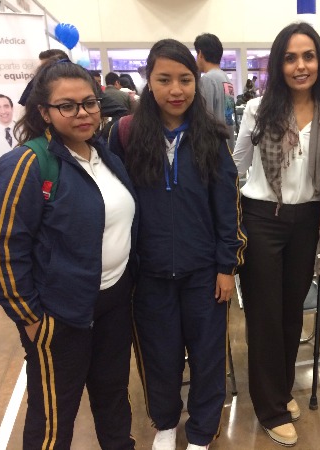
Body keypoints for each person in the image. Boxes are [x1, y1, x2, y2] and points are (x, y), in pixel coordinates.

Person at [0, 59, 137, 449]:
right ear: (44, 112)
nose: (82, 113)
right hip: (60, 314)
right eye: (67, 105)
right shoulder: (26, 164)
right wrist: (30, 317)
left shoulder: (103, 155)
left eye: (89, 102)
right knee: (54, 415)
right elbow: (3, 249)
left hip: (113, 303)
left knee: (114, 397)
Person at [108, 38, 246, 450]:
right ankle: (166, 423)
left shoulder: (213, 136)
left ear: (196, 81)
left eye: (185, 79)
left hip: (203, 273)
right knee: (159, 355)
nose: (176, 90)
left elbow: (227, 207)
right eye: (164, 79)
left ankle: (201, 432)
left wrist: (226, 266)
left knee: (208, 357)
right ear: (148, 82)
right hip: (148, 274)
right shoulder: (126, 135)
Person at [232, 22, 320, 447]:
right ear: (279, 65)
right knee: (265, 316)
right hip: (262, 218)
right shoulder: (258, 109)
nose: (301, 66)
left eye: (308, 56)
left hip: (308, 220)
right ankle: (271, 409)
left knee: (290, 313)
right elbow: (237, 165)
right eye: (290, 58)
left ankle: (279, 390)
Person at [194, 33, 236, 151]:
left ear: (200, 54)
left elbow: (204, 118)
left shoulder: (207, 80)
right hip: (227, 144)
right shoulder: (226, 79)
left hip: (212, 147)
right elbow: (229, 116)